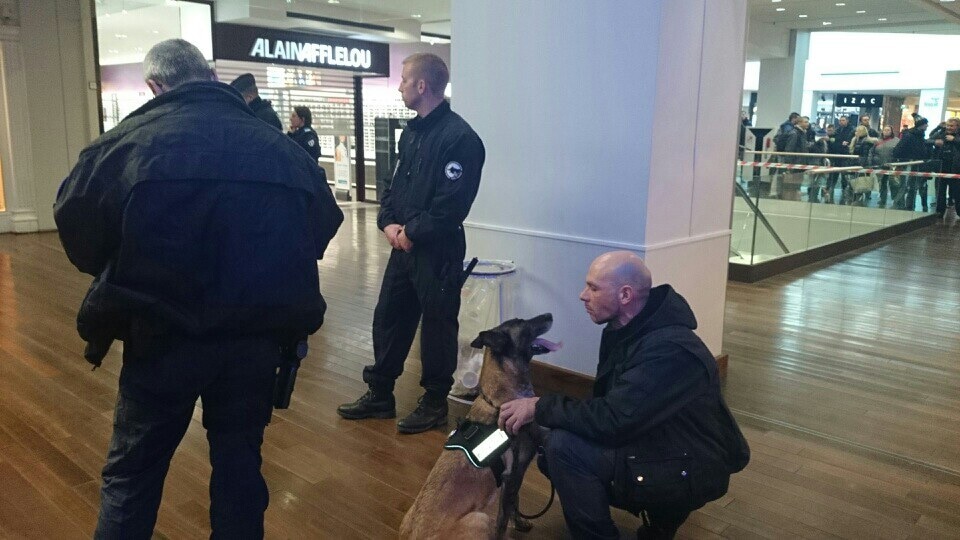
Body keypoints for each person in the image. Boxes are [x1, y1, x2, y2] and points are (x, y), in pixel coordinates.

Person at [53, 39, 343, 538]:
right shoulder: (281, 150)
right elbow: (320, 224)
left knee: (133, 475)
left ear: (155, 86)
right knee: (239, 470)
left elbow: (77, 224)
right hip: (253, 341)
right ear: (211, 75)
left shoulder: (124, 145)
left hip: (161, 337)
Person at [498, 252, 750, 540]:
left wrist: (540, 405)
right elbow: (618, 408)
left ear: (625, 295)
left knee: (563, 448)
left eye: (593, 288)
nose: (583, 296)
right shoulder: (629, 328)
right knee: (554, 437)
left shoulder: (667, 350)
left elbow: (614, 419)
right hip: (669, 443)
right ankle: (660, 522)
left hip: (695, 465)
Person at [336, 53, 486, 434]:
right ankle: (380, 392)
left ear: (422, 86)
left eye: (404, 79)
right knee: (389, 316)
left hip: (436, 251)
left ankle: (435, 402)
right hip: (402, 246)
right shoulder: (413, 132)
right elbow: (394, 182)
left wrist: (411, 232)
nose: (399, 85)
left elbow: (451, 206)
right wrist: (387, 222)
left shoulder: (461, 139)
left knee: (437, 327)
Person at [893, 115, 932, 211]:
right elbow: (898, 150)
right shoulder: (911, 136)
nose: (927, 126)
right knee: (908, 186)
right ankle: (901, 205)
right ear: (921, 125)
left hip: (915, 165)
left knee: (911, 187)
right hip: (910, 164)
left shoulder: (916, 136)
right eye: (926, 124)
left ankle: (907, 206)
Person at [931, 117, 960, 218]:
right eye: (948, 125)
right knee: (940, 192)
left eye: (952, 126)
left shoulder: (958, 136)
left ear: (957, 126)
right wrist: (935, 142)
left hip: (956, 169)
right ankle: (940, 211)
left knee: (957, 193)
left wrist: (955, 140)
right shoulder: (941, 134)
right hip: (941, 168)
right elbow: (928, 139)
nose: (949, 127)